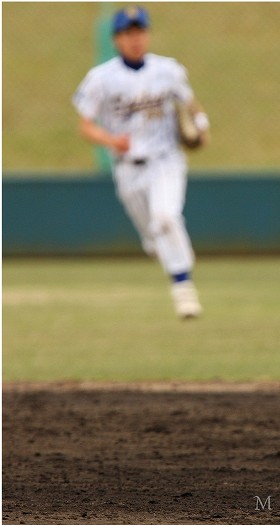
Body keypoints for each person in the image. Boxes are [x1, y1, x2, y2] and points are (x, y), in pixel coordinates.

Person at [73, 5, 209, 319]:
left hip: (166, 161)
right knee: (154, 237)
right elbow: (85, 124)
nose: (135, 39)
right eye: (127, 33)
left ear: (147, 34)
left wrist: (202, 126)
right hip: (127, 169)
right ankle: (162, 247)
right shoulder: (101, 78)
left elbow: (191, 105)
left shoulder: (169, 70)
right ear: (116, 39)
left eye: (140, 32)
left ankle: (183, 288)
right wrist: (110, 140)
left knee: (165, 218)